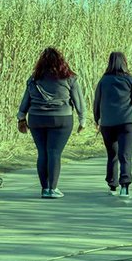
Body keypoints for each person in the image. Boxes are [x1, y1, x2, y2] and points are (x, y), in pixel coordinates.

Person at [17, 46, 85, 198]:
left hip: (36, 118)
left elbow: (25, 101)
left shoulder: (33, 79)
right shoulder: (69, 78)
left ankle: (45, 189)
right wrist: (82, 120)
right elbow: (79, 101)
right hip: (61, 118)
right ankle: (53, 189)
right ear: (61, 61)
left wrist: (21, 118)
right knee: (54, 152)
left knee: (42, 152)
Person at [93, 51, 132, 199]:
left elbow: (97, 101)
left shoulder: (103, 81)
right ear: (124, 62)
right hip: (127, 122)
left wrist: (97, 119)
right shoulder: (130, 80)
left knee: (112, 155)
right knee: (125, 155)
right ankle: (125, 186)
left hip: (108, 123)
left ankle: (112, 185)